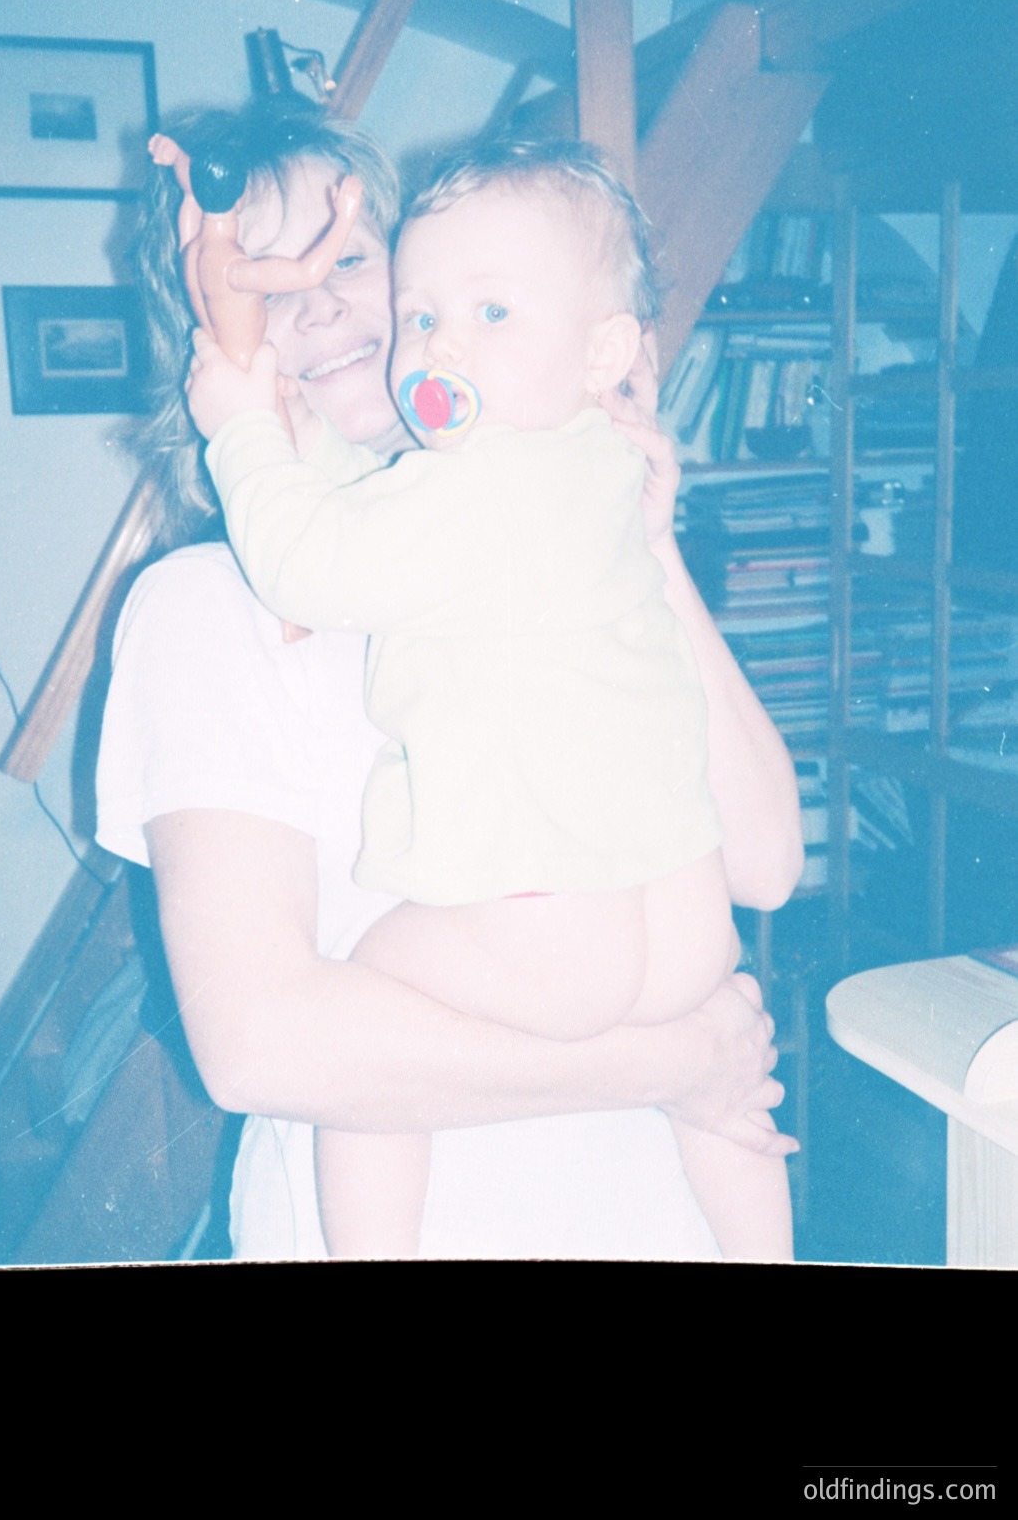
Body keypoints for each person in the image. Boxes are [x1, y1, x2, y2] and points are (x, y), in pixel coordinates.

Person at [96, 98, 803, 1262]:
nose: (319, 300)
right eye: (267, 279)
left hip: (647, 1220)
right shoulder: (200, 609)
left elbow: (766, 861)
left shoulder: (557, 526)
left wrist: (650, 546)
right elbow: (257, 1042)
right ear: (215, 330)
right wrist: (666, 1062)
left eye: (347, 257)